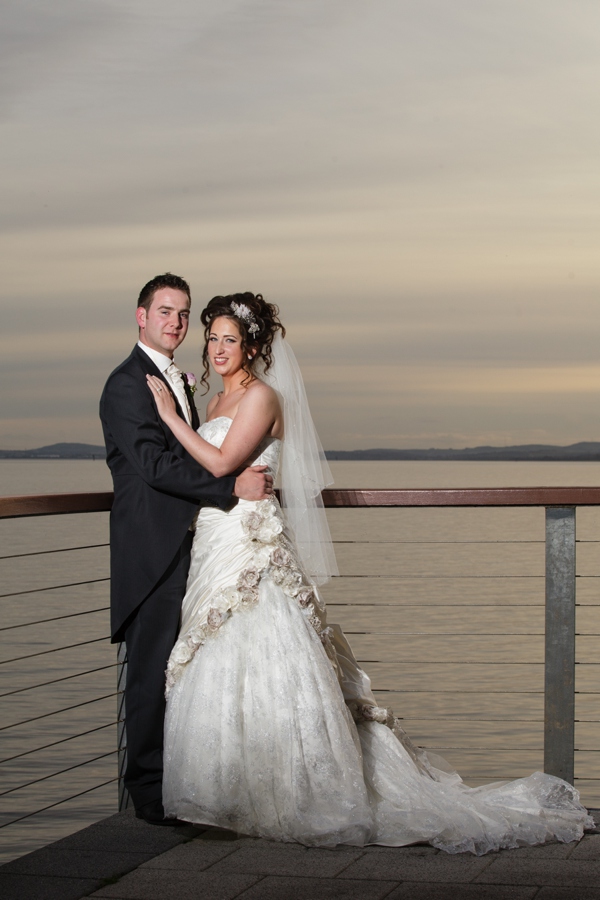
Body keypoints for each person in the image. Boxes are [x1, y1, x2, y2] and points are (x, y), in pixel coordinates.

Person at [146, 291, 594, 852]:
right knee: (217, 652)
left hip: (251, 541)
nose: (217, 348)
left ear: (252, 347)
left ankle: (294, 788)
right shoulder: (213, 402)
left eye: (229, 339)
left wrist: (168, 417)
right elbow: (210, 474)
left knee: (266, 643)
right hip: (214, 537)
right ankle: (228, 789)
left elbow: (219, 461)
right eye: (211, 337)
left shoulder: (261, 397)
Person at [99, 274, 273, 826]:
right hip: (152, 549)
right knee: (151, 671)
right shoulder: (127, 384)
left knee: (185, 667)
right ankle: (149, 795)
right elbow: (153, 466)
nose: (175, 322)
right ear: (141, 316)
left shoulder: (177, 382)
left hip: (195, 544)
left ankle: (189, 779)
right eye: (165, 311)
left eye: (182, 313)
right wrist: (230, 487)